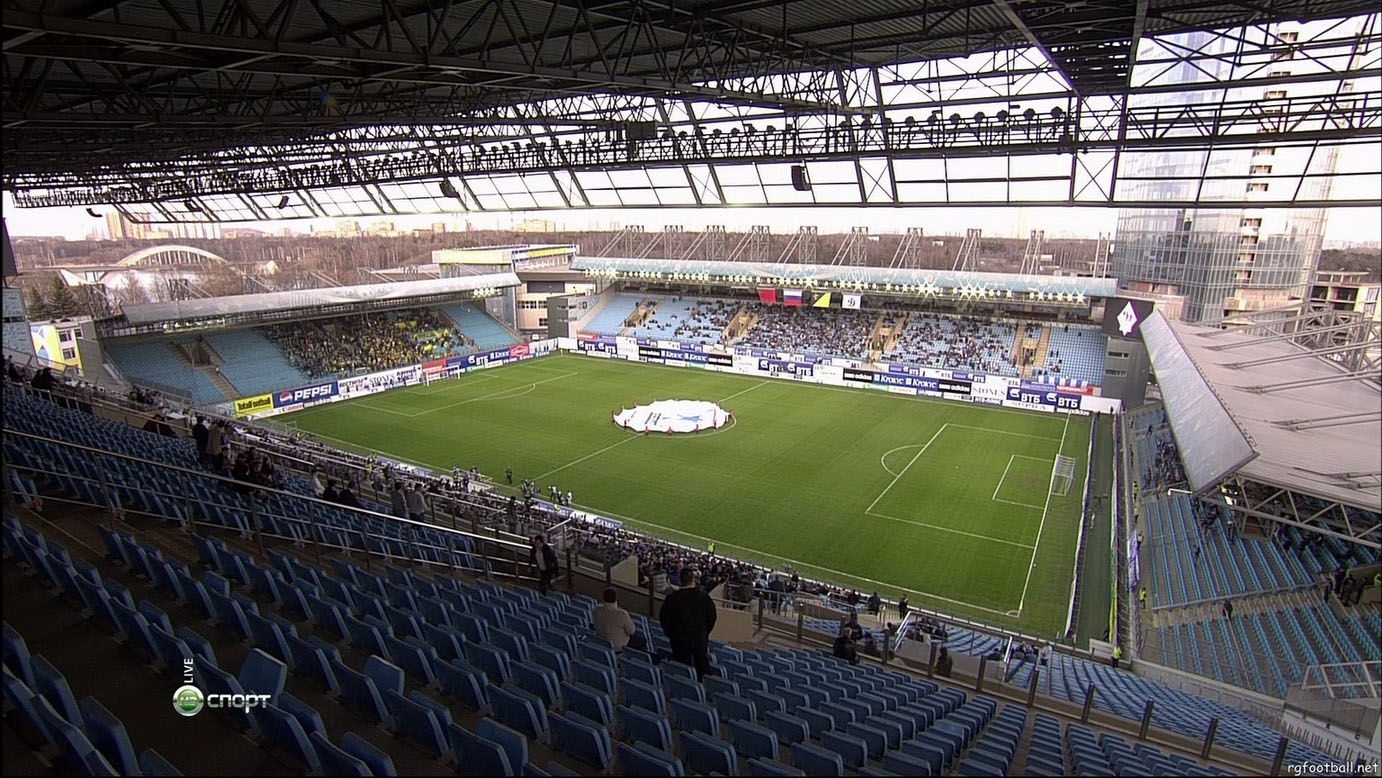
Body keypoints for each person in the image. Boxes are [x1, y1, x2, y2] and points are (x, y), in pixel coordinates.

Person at [659, 567, 718, 679]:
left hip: (678, 639)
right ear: (693, 580)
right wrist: (704, 633)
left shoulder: (671, 598)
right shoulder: (704, 597)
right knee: (702, 670)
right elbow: (712, 618)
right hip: (698, 639)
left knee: (682, 670)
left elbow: (664, 619)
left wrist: (672, 635)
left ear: (680, 581)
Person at [594, 587, 645, 653]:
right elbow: (631, 631)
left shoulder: (597, 609)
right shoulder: (622, 614)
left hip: (601, 642)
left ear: (603, 598)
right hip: (617, 647)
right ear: (616, 598)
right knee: (642, 640)